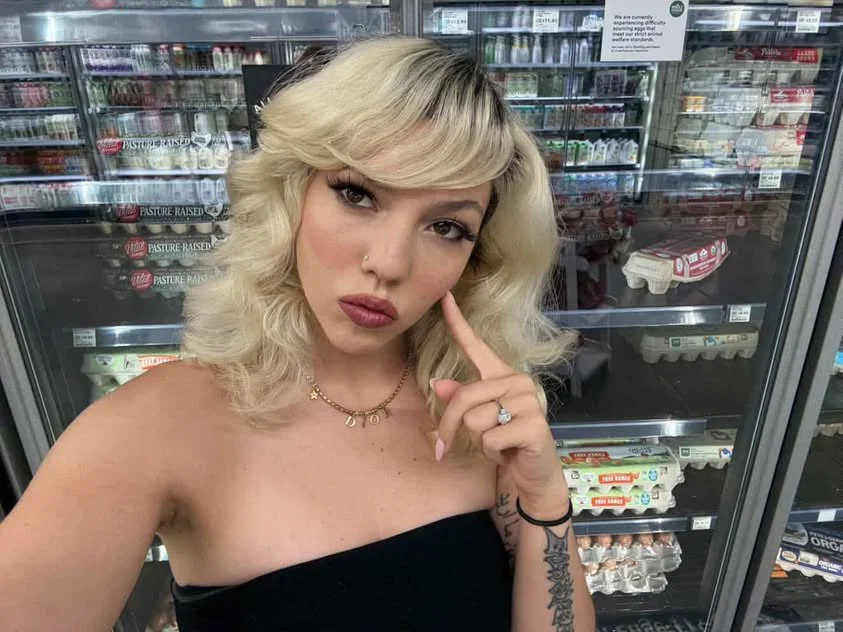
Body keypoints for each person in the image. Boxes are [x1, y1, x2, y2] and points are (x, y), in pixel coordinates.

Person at [0, 36, 595, 631]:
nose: (389, 263)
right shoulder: (152, 429)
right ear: (293, 193)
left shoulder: (480, 422)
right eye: (357, 194)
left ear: (477, 258)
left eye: (445, 227)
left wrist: (545, 498)